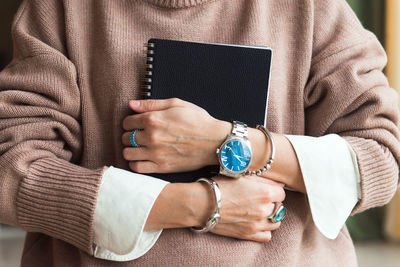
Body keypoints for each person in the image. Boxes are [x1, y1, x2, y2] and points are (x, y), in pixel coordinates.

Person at [0, 0, 399, 266]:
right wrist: (198, 204)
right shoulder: (60, 9)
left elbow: (382, 155)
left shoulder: (312, 7)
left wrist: (229, 144)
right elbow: (12, 168)